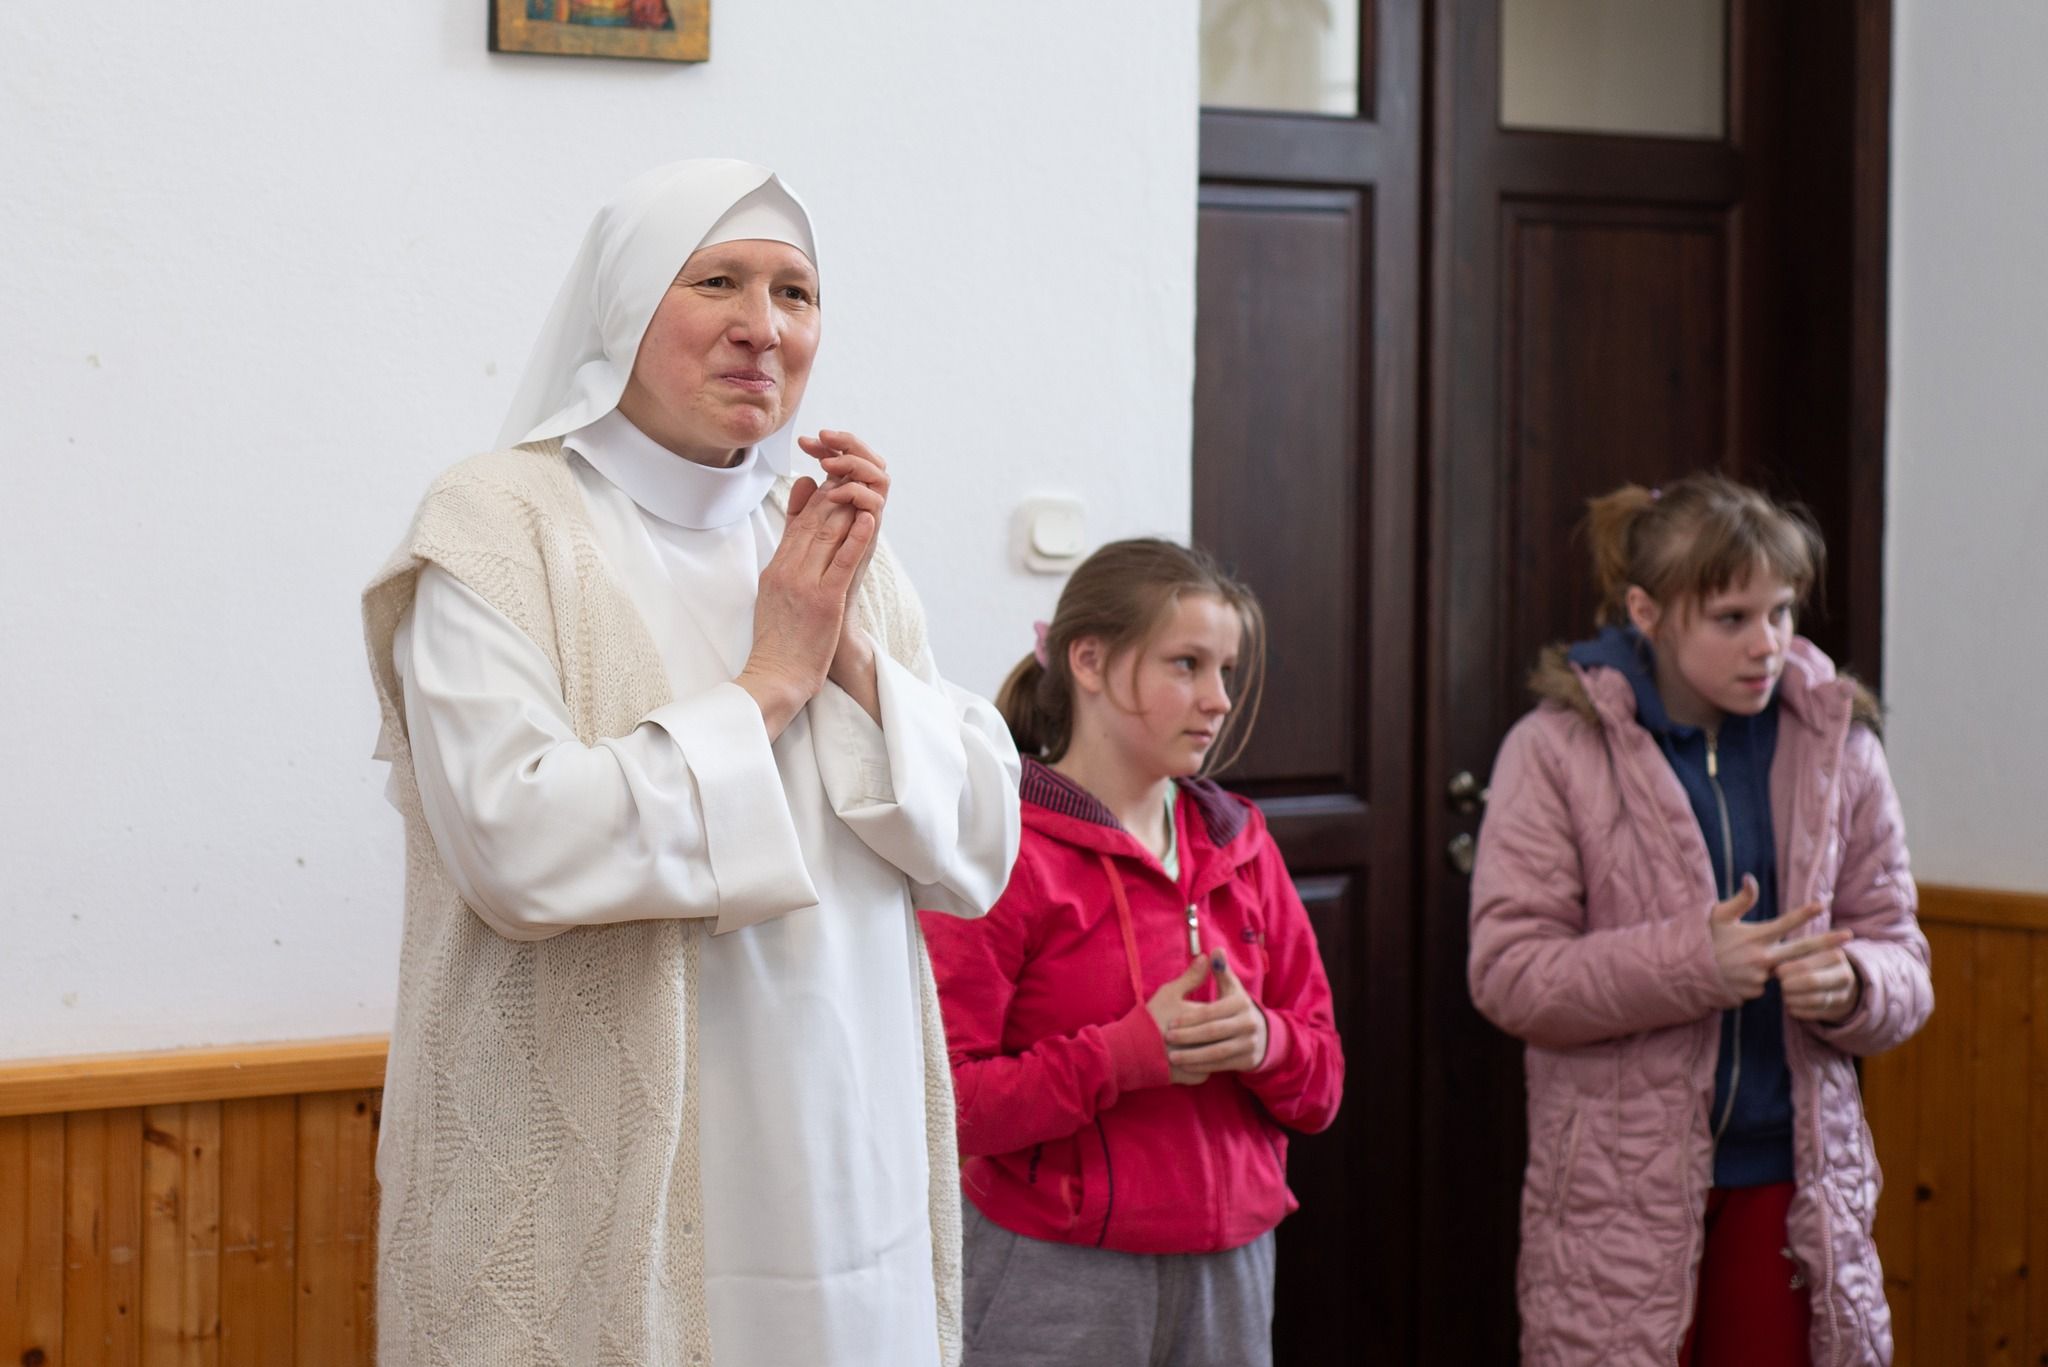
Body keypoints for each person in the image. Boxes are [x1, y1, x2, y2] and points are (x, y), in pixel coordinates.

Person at [360, 158, 1021, 1367]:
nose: (762, 326)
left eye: (794, 292)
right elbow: (516, 846)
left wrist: (847, 649)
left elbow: (977, 842)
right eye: (716, 281)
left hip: (842, 1162)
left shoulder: (832, 544)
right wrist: (767, 682)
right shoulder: (500, 525)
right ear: (621, 305)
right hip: (604, 1166)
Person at [1467, 473, 1933, 1366]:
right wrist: (1694, 965)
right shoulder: (1554, 749)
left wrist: (1855, 983)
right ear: (1646, 612)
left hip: (1792, 1181)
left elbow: (1904, 957)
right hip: (1614, 1190)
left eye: (1782, 611)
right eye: (1731, 618)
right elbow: (1509, 973)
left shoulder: (1841, 746)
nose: (1768, 643)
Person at [919, 539, 1344, 1367]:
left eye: (1227, 670)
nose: (1219, 699)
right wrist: (1123, 1056)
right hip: (1052, 1272)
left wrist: (1266, 1041)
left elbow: (1323, 1082)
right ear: (1088, 660)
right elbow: (947, 1102)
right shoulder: (1001, 850)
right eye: (1187, 664)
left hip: (1233, 1267)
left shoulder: (1245, 845)